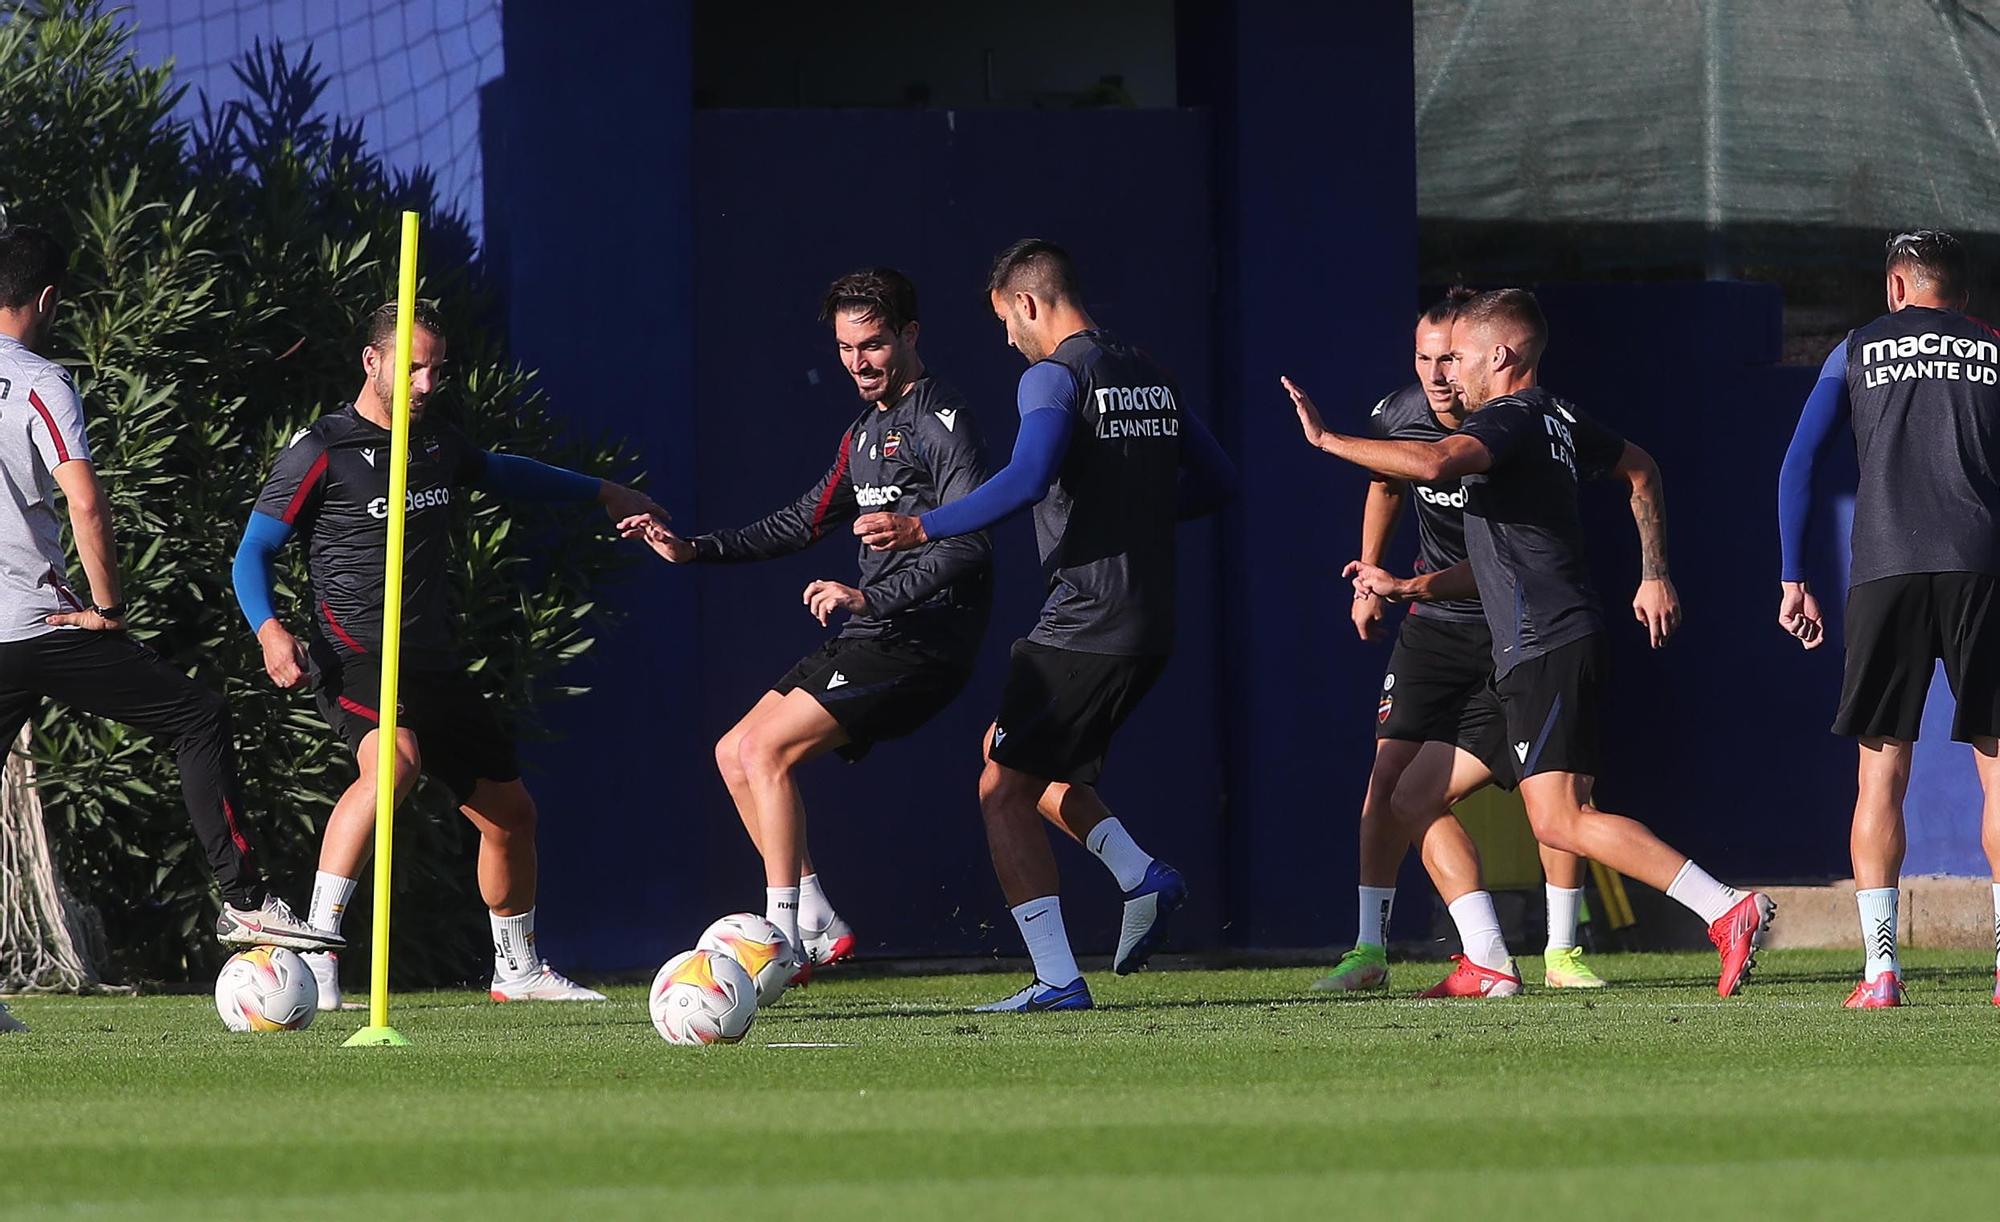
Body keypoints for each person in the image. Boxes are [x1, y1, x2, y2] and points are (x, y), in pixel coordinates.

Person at [1297, 287, 1774, 998]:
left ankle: (1725, 907)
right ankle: (1488, 960)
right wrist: (1652, 573)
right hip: (1529, 643)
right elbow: (1640, 468)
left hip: (1543, 640)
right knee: (1409, 796)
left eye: (1458, 357)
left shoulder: (1514, 415)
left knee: (1561, 820)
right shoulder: (1557, 416)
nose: (1447, 373)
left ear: (1500, 355)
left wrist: (1326, 440)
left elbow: (1431, 466)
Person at [234, 299, 665, 1006]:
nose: (426, 385)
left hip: (432, 659)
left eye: (436, 369)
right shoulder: (322, 450)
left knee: (511, 814)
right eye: (410, 368)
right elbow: (254, 550)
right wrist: (269, 628)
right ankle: (314, 954)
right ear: (372, 362)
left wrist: (603, 492)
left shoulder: (436, 443)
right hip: (356, 655)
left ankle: (517, 971)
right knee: (392, 761)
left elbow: (504, 472)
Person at [855, 239, 1237, 1012]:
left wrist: (923, 527)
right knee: (1015, 756)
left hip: (1085, 619)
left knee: (1000, 791)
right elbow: (1220, 480)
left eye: (1005, 321)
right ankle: (1140, 877)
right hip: (1148, 623)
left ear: (1028, 304)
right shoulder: (1149, 371)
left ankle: (1059, 978)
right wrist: (1130, 511)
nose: (1007, 339)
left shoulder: (1051, 377)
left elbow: (1028, 479)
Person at [621, 267, 992, 966]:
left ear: (910, 335)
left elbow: (971, 544)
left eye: (874, 345)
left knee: (766, 752)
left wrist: (871, 597)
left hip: (923, 640)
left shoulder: (946, 421)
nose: (859, 363)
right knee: (733, 753)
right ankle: (816, 918)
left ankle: (780, 941)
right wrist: (693, 548)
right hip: (872, 630)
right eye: (847, 349)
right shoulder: (863, 434)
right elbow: (800, 521)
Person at [0, 224, 333, 952]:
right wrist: (107, 609)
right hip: (38, 625)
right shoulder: (39, 382)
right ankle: (245, 899)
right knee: (198, 717)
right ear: (48, 299)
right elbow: (85, 501)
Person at [1777, 229, 2000, 1008]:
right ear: (1963, 295)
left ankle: (1880, 975)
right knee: (1998, 769)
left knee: (1881, 770)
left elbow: (1799, 463)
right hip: (1982, 568)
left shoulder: (1857, 348)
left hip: (1884, 568)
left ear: (1897, 287)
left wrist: (1793, 575)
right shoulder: (1993, 348)